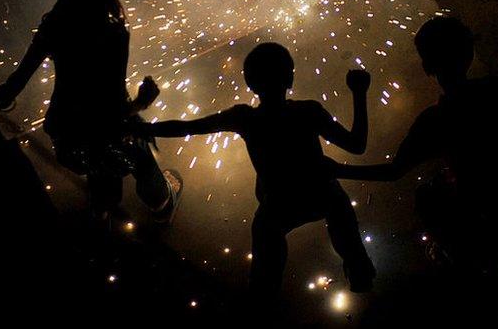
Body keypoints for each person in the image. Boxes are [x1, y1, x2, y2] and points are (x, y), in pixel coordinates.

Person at [133, 42, 376, 295]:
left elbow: (187, 127)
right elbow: (357, 145)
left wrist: (147, 128)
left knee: (265, 237)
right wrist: (359, 93)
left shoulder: (245, 118)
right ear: (290, 77)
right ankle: (359, 268)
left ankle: (263, 303)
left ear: (251, 83)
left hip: (279, 203)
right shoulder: (308, 111)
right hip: (319, 194)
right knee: (337, 202)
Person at [330, 17, 498, 271]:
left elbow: (393, 171)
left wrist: (339, 169)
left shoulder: (436, 119)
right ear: (469, 52)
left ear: (426, 65)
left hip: (486, 218)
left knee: (428, 196)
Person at [0, 0, 180, 221]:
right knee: (138, 145)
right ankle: (161, 205)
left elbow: (18, 79)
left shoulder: (53, 26)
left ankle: (102, 214)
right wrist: (141, 102)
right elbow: (111, 108)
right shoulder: (114, 33)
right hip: (100, 137)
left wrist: (3, 96)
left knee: (100, 169)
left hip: (65, 135)